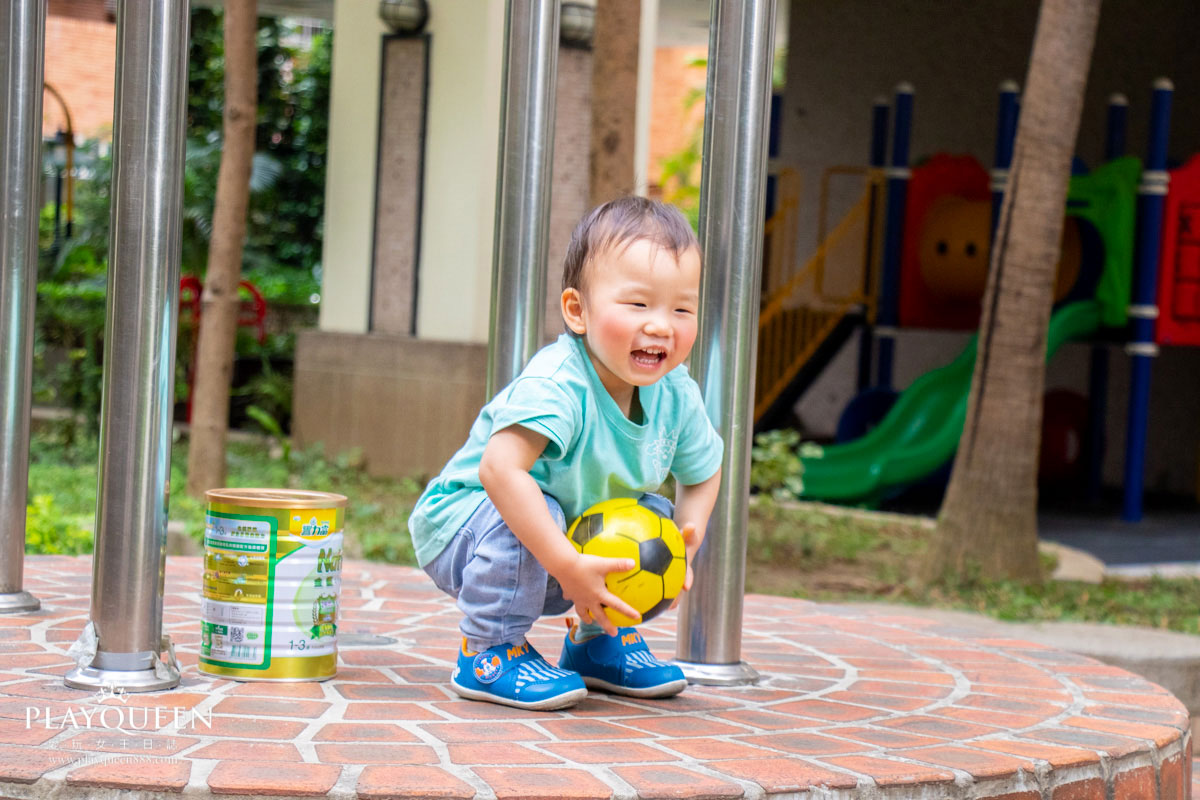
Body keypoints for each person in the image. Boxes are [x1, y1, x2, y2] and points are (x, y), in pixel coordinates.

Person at [408, 196, 723, 710]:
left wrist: (688, 533)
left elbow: (704, 470)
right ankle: (487, 651)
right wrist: (566, 562)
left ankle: (597, 641)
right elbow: (499, 470)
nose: (661, 326)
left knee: (650, 515)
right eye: (638, 305)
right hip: (466, 530)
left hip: (564, 550)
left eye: (681, 309)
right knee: (538, 507)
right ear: (578, 311)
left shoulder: (676, 393)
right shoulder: (558, 384)